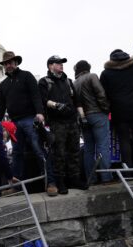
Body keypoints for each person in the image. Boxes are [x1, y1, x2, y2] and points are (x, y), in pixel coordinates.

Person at [0, 51, 46, 184]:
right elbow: (0, 107)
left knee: (38, 148)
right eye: (6, 63)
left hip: (29, 118)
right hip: (15, 122)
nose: (8, 65)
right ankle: (17, 185)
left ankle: (49, 180)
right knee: (17, 153)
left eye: (10, 62)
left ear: (16, 62)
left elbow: (36, 95)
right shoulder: (3, 84)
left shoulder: (26, 76)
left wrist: (40, 112)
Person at [38, 55, 86, 194]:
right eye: (58, 63)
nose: (61, 65)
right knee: (59, 153)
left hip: (72, 122)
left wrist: (81, 116)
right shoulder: (44, 82)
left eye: (61, 63)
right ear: (50, 66)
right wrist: (55, 105)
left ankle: (75, 179)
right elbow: (42, 99)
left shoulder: (69, 81)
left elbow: (77, 100)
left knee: (74, 151)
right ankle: (61, 182)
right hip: (57, 123)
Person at [100, 50, 133, 171]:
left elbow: (104, 93)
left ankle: (128, 172)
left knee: (124, 140)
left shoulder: (106, 73)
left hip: (119, 111)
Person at [73, 60, 113, 184]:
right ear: (87, 68)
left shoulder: (74, 83)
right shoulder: (92, 76)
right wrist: (106, 110)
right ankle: (106, 178)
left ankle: (91, 179)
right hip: (97, 114)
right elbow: (101, 94)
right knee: (103, 146)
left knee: (89, 149)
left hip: (84, 119)